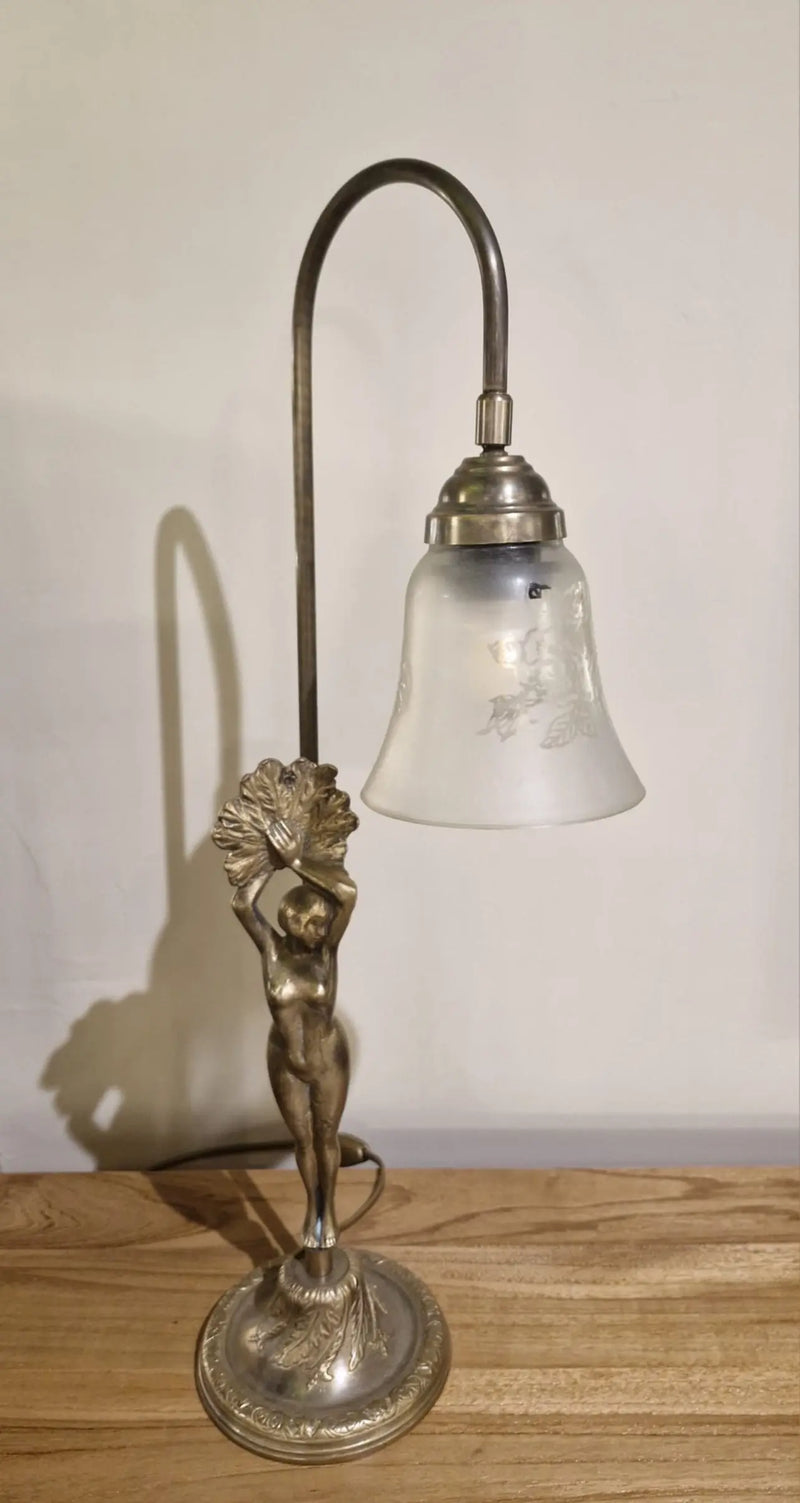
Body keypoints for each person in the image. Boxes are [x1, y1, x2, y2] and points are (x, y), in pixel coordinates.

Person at [231, 818, 356, 1249]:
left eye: (325, 923)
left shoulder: (327, 953)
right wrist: (270, 861)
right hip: (285, 1059)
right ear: (293, 920)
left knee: (327, 1136)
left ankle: (329, 1209)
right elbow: (242, 904)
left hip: (328, 1058)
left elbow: (347, 895)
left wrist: (298, 861)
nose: (322, 930)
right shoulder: (272, 951)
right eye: (314, 923)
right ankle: (312, 1206)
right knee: (303, 1140)